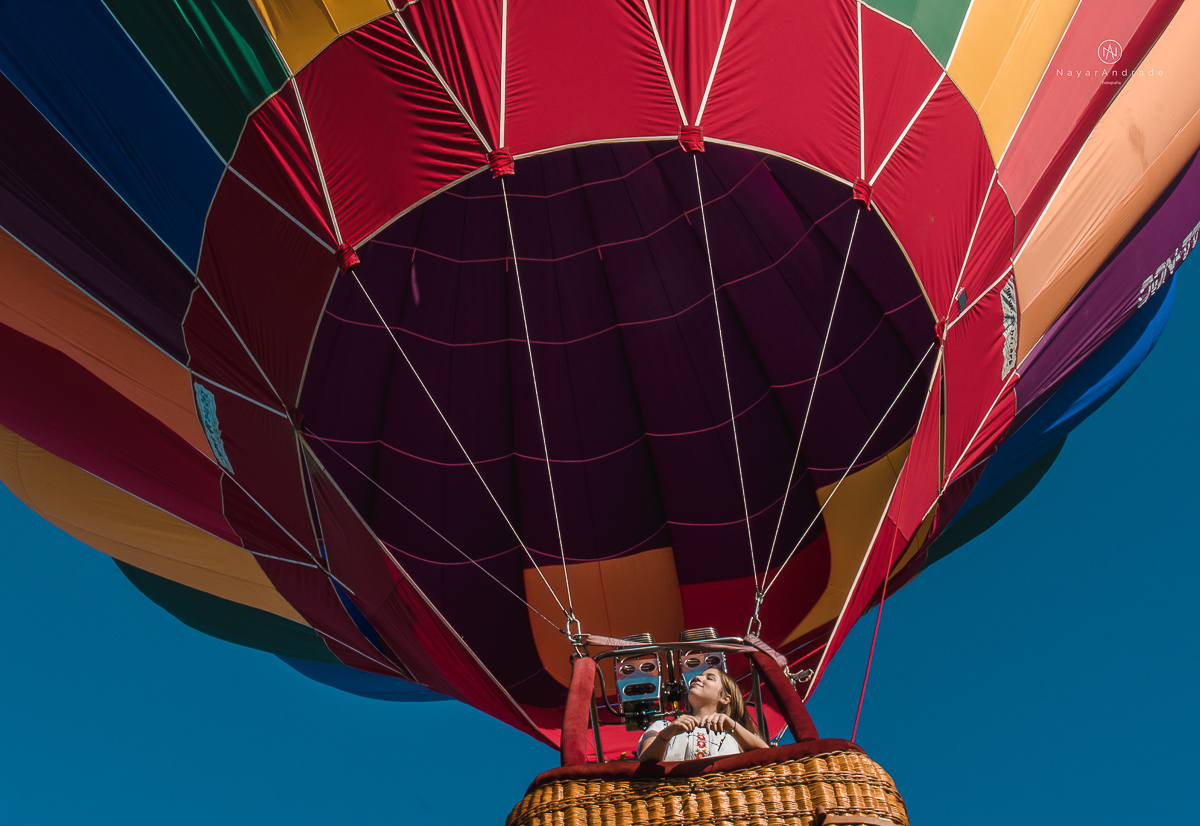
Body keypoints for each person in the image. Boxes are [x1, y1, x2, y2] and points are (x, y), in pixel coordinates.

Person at [637, 667, 769, 761]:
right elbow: (644, 763)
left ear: (725, 698)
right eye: (699, 675)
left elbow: (767, 755)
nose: (697, 677)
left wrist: (732, 726)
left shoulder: (737, 734)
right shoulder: (661, 727)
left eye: (710, 678)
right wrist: (665, 736)